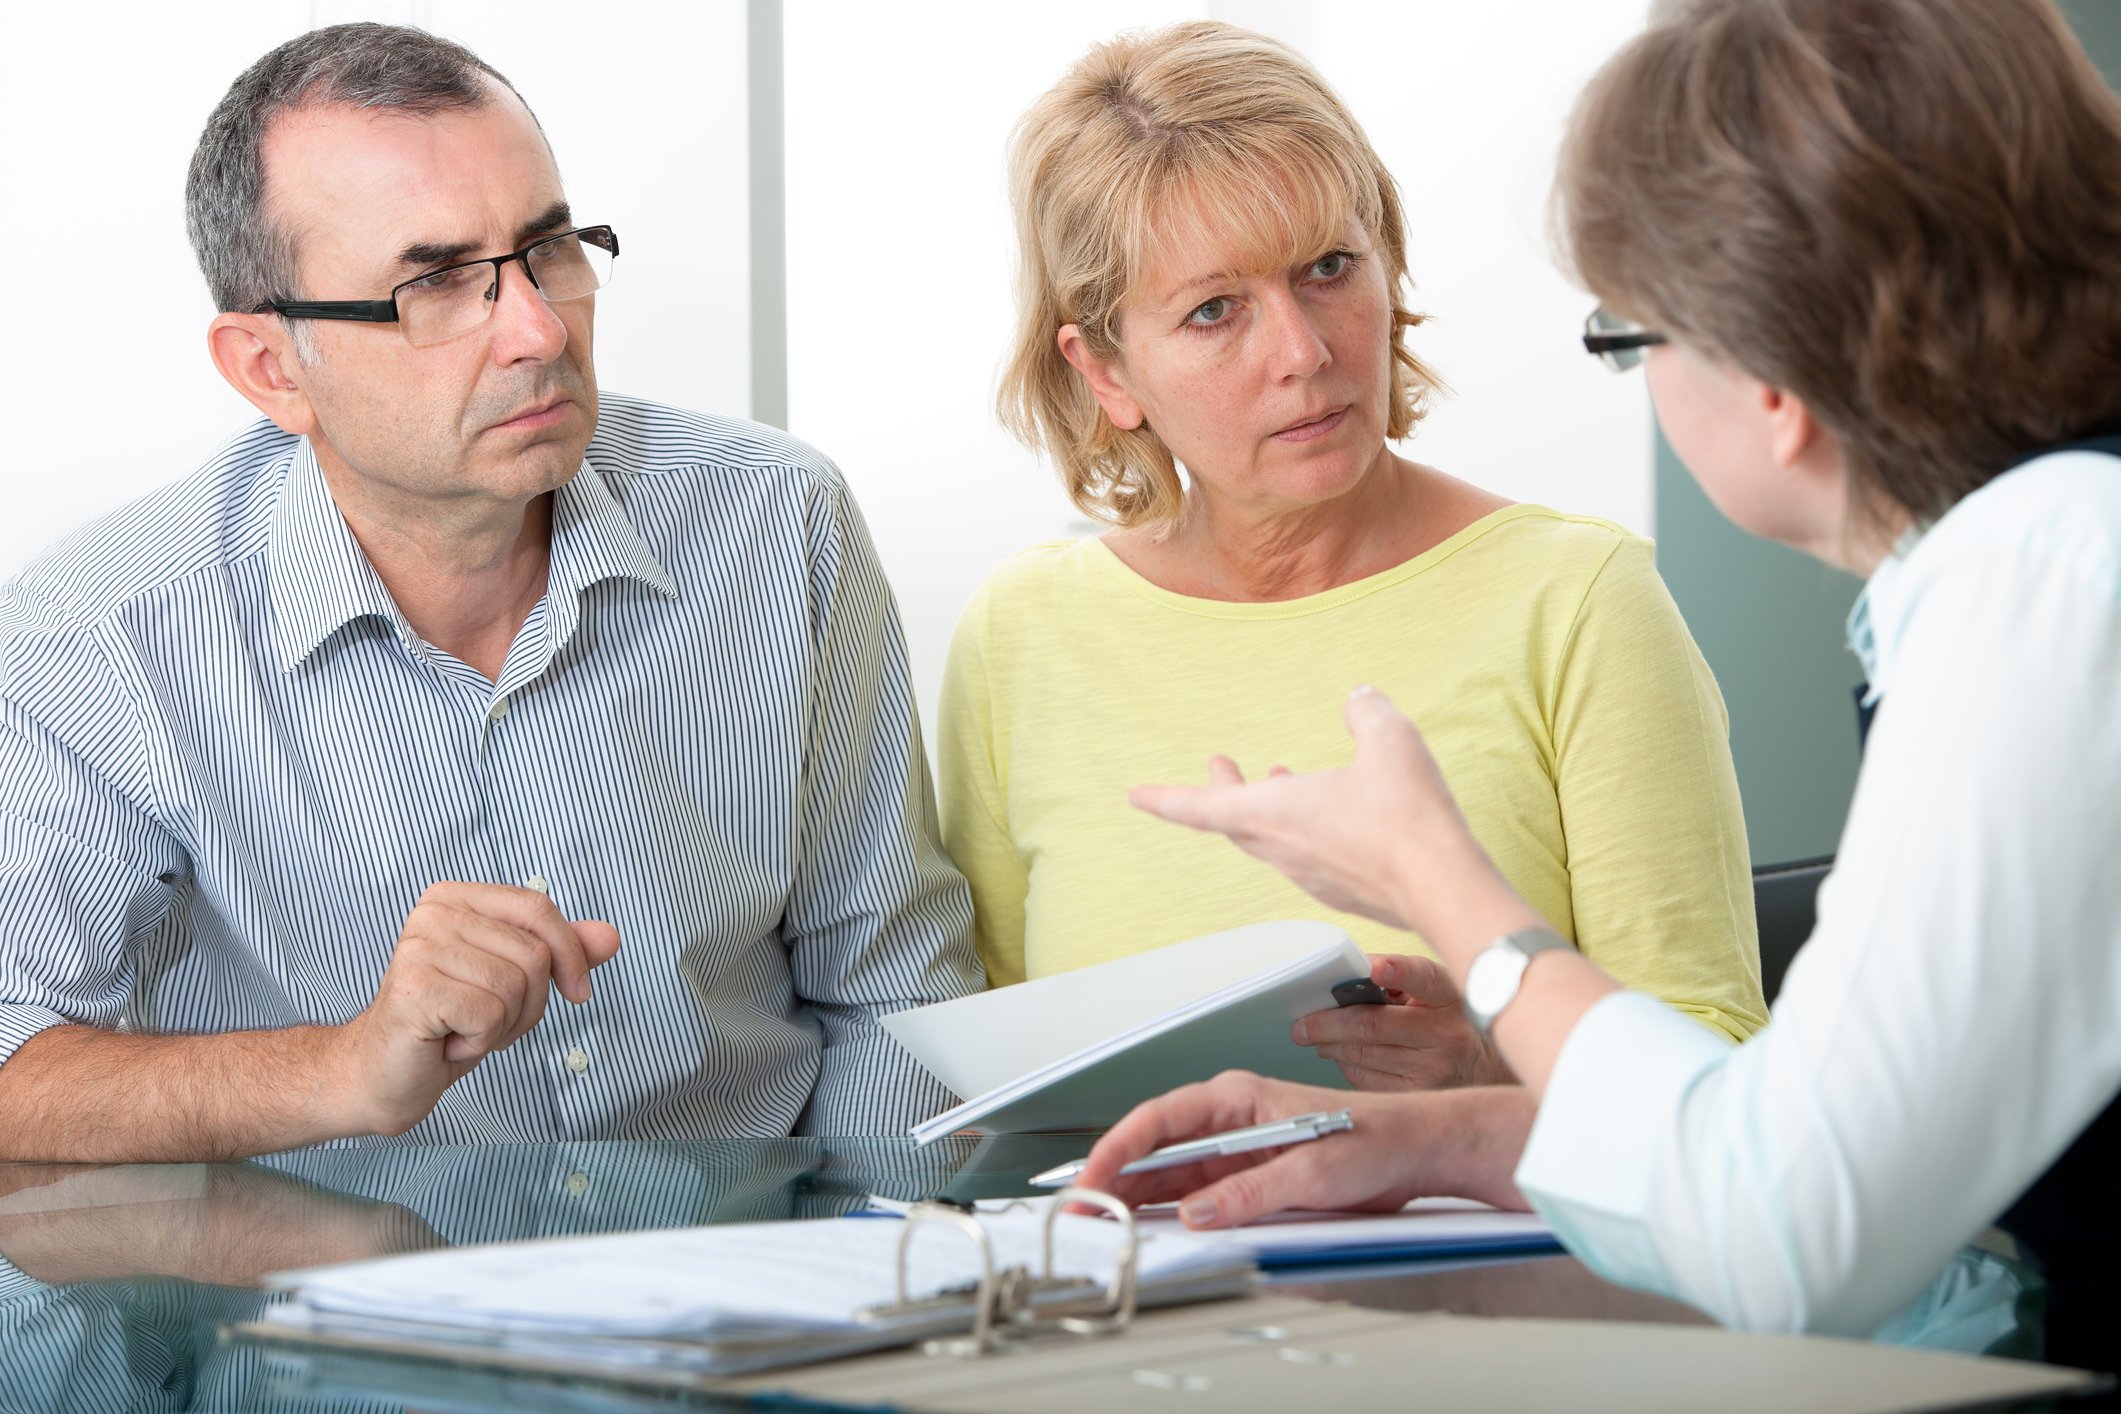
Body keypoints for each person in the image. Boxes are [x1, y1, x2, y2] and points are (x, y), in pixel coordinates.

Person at [1078, 0, 2121, 1367]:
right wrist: (1420, 1139)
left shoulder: (2046, 574)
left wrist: (1431, 873)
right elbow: (1806, 1140)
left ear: (1768, 373)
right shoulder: (2051, 550)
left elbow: (1788, 1229)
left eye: (1632, 334)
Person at [0, 23, 984, 1162]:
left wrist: (875, 1252)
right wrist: (343, 1067)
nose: (537, 329)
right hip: (338, 1276)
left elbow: (890, 993)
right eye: (436, 284)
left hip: (761, 1263)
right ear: (271, 369)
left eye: (549, 249)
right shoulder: (97, 637)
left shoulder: (775, 517)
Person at [938, 19, 1766, 1091]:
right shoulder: (1018, 636)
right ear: (1105, 372)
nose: (1305, 350)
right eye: (1214, 311)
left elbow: (1717, 1066)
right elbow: (999, 1084)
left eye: (1329, 268)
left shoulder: (1578, 599)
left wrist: (1485, 1069)